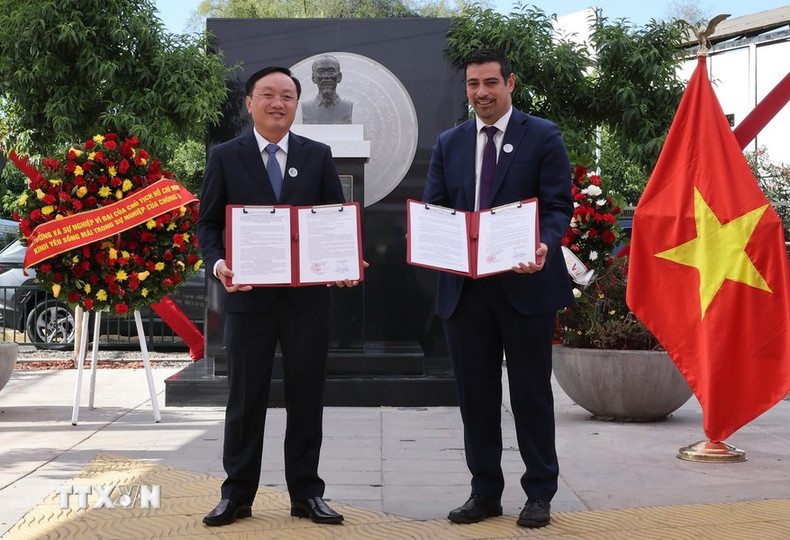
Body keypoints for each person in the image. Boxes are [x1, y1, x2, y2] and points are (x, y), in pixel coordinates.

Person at [197, 66, 360, 527]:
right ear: (249, 102)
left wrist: (346, 261)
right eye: (267, 94)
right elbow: (208, 224)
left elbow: (333, 216)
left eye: (287, 96)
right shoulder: (226, 156)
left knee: (307, 397)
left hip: (308, 301)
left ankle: (306, 495)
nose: (277, 103)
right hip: (248, 299)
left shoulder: (317, 154)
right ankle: (237, 495)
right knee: (245, 399)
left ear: (296, 104)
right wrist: (218, 264)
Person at [422, 49, 574, 529]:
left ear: (510, 83)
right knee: (475, 396)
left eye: (490, 83)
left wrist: (545, 245)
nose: (481, 93)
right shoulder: (449, 142)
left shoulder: (543, 135)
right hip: (465, 291)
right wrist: (429, 236)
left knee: (531, 393)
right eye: (473, 84)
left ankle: (539, 493)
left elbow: (557, 207)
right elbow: (436, 207)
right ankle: (484, 491)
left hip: (526, 284)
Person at [301, 54, 353, 124]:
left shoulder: (347, 107)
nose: (326, 76)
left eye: (331, 72)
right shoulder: (306, 108)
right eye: (321, 72)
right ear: (313, 78)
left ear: (339, 77)